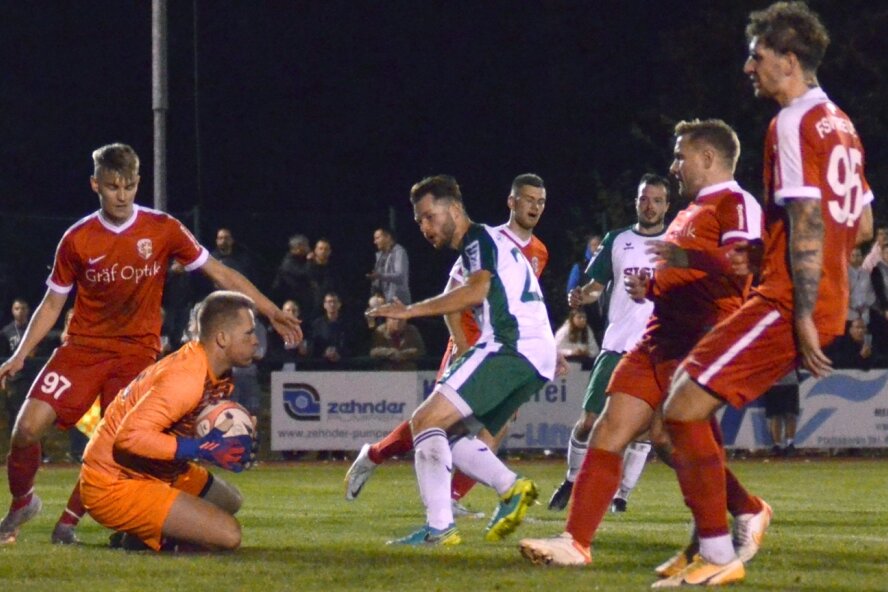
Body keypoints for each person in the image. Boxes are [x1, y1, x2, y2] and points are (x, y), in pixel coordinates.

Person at [651, 4, 874, 587]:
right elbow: (864, 224)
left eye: (757, 55)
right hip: (802, 290)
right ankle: (712, 536)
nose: (748, 66)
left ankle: (722, 554)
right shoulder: (841, 124)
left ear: (789, 60)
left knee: (679, 408)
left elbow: (806, 219)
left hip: (786, 300)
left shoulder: (793, 122)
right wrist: (778, 254)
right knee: (683, 412)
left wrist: (801, 306)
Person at [0, 143, 301, 546]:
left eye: (128, 186)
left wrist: (269, 310)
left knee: (119, 447)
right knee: (26, 428)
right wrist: (21, 354)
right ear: (95, 185)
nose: (122, 196)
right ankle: (23, 501)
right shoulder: (77, 239)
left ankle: (68, 522)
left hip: (136, 354)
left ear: (138, 182)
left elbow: (219, 273)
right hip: (84, 348)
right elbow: (54, 301)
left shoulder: (163, 228)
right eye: (112, 187)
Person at [519, 119, 766, 572]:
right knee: (609, 428)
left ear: (708, 158)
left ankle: (740, 517)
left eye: (680, 156)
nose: (674, 166)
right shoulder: (690, 212)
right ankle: (576, 542)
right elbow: (677, 275)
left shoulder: (736, 202)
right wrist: (650, 285)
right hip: (657, 338)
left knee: (674, 441)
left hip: (702, 341)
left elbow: (745, 261)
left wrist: (678, 265)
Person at [365, 174, 562, 546]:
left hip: (510, 345)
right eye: (420, 220)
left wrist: (408, 312)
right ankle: (505, 491)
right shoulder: (493, 241)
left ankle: (445, 525)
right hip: (535, 354)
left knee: (424, 420)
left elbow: (475, 291)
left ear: (454, 208)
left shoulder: (477, 239)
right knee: (450, 434)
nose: (425, 226)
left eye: (429, 216)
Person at [80, 290, 258, 552]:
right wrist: (200, 449)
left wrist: (231, 445)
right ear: (222, 338)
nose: (256, 341)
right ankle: (147, 537)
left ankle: (146, 530)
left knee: (230, 501)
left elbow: (186, 426)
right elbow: (129, 438)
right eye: (249, 333)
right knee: (229, 535)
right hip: (114, 481)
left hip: (152, 470)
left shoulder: (216, 371)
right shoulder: (186, 378)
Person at [547, 173, 669, 513]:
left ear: (666, 206)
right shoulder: (617, 239)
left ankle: (621, 496)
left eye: (657, 200)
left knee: (644, 431)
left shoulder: (675, 245)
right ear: (636, 201)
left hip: (654, 350)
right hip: (616, 345)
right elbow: (595, 287)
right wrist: (580, 296)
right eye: (645, 199)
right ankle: (571, 480)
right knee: (589, 422)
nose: (650, 205)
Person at [271, 234, 314, 319]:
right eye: (305, 246)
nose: (308, 248)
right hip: (289, 299)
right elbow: (303, 273)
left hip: (302, 301)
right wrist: (309, 261)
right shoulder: (288, 263)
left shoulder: (302, 259)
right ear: (298, 248)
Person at [762, 370, 801, 456]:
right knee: (776, 415)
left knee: (791, 414)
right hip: (773, 382)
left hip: (790, 382)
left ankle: (790, 443)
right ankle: (777, 445)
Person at [368, 227, 411, 304]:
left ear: (388, 237)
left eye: (377, 238)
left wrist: (379, 276)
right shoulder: (380, 256)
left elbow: (400, 276)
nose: (375, 242)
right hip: (386, 301)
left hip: (398, 302)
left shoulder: (399, 252)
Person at [310, 292, 350, 365]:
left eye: (334, 302)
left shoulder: (347, 324)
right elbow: (313, 344)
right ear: (324, 305)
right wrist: (324, 353)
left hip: (343, 364)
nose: (332, 304)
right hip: (321, 365)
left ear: (339, 304)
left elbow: (351, 344)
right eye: (329, 302)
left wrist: (339, 354)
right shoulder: (317, 324)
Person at [847, 246, 875, 325]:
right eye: (853, 255)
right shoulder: (845, 274)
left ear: (862, 257)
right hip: (849, 312)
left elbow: (871, 292)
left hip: (864, 311)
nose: (855, 258)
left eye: (858, 255)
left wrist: (866, 305)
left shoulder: (866, 274)